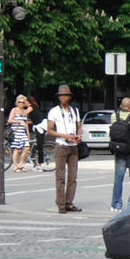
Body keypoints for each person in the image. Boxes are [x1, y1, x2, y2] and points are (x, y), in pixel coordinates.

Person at [47, 84, 82, 214]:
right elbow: (50, 130)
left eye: (65, 95)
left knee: (73, 177)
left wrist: (78, 136)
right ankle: (61, 203)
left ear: (69, 97)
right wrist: (64, 135)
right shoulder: (54, 111)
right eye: (61, 95)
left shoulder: (75, 111)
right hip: (61, 145)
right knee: (60, 177)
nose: (63, 97)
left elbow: (79, 126)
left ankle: (69, 202)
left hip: (73, 147)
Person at [7, 95, 31, 172]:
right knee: (17, 149)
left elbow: (26, 123)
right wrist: (18, 121)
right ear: (17, 102)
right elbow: (9, 120)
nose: (21, 103)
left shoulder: (24, 111)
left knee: (27, 148)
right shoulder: (14, 110)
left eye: (22, 102)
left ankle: (21, 164)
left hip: (22, 133)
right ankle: (15, 166)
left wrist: (28, 133)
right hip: (16, 132)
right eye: (19, 102)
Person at [26, 95, 46, 172]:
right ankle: (35, 163)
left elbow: (24, 113)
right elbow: (33, 120)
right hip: (37, 126)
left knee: (39, 145)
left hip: (40, 127)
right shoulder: (34, 107)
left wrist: (17, 111)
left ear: (28, 102)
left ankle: (40, 164)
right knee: (36, 145)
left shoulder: (31, 107)